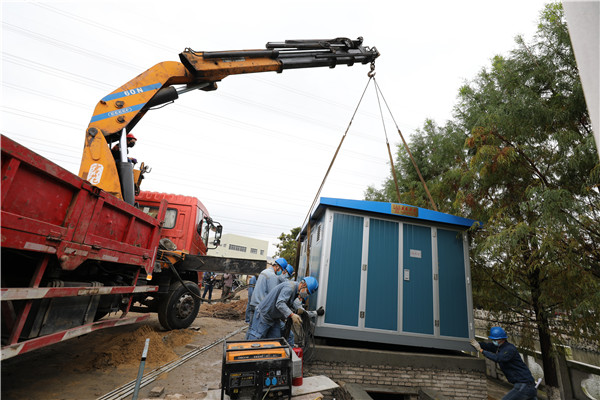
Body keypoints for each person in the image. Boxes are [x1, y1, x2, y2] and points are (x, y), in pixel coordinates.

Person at [470, 326, 537, 400]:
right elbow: (488, 346)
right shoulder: (500, 347)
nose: (493, 341)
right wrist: (476, 343)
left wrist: (481, 350)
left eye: (495, 339)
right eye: (492, 339)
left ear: (502, 339)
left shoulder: (509, 349)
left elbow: (498, 358)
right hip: (527, 386)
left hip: (524, 386)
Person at [247, 276, 318, 341]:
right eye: (307, 292)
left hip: (274, 318)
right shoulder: (290, 287)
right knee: (255, 341)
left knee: (275, 341)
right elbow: (280, 303)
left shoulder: (295, 291)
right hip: (263, 316)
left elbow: (289, 304)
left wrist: (297, 311)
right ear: (304, 285)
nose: (307, 294)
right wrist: (291, 315)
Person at [245, 258, 288, 328]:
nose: (281, 272)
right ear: (278, 267)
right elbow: (272, 295)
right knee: (259, 332)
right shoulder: (272, 276)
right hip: (260, 307)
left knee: (252, 329)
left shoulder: (264, 271)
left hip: (253, 303)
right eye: (282, 270)